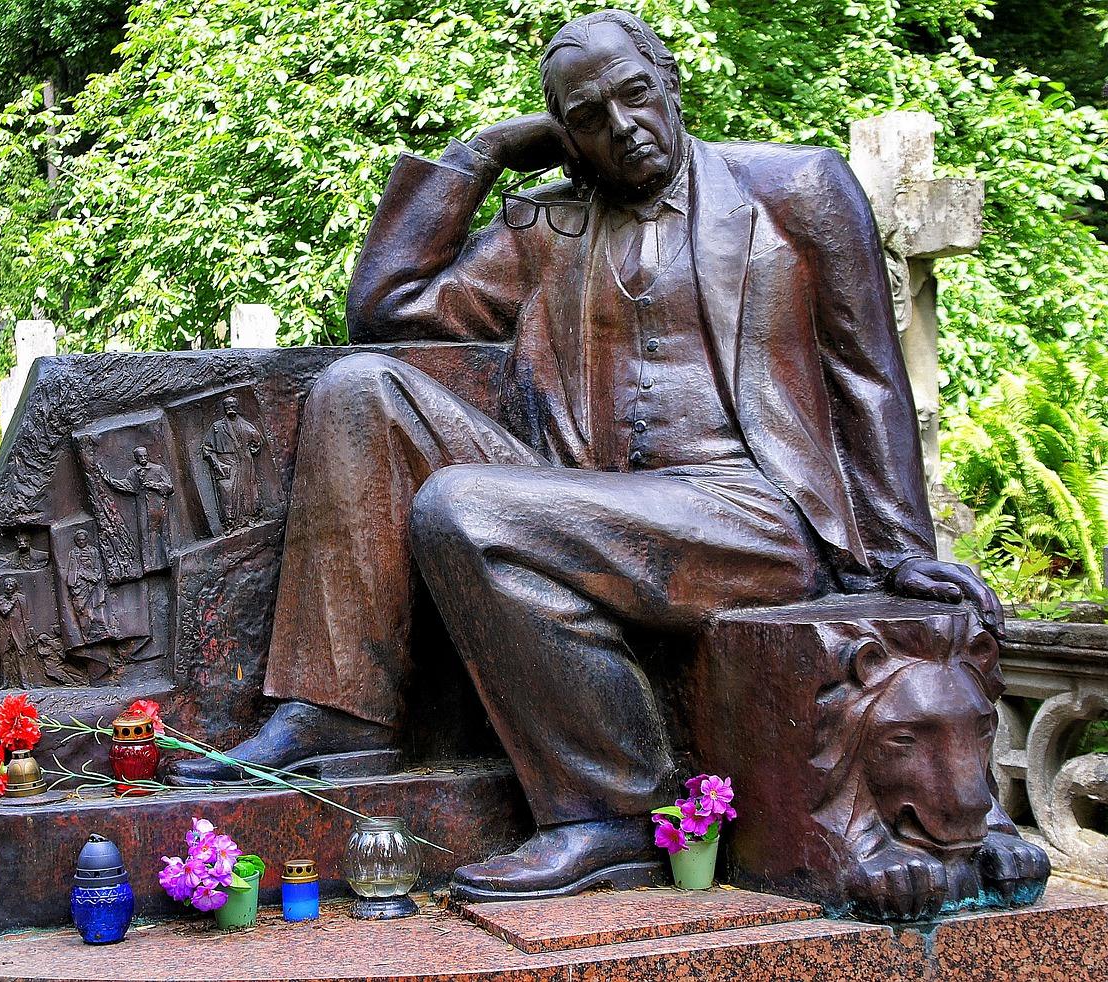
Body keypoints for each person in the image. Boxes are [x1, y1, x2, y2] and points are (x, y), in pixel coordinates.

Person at [171, 9, 1004, 902]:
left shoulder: (796, 187)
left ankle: (611, 811)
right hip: (592, 497)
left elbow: (866, 373)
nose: (623, 126)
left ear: (669, 80)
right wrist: (481, 153)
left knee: (465, 506)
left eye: (635, 95)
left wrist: (901, 551)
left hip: (751, 512)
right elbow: (385, 309)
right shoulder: (551, 225)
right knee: (360, 389)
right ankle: (339, 711)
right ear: (564, 137)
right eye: (589, 118)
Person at [98, 447, 175, 572]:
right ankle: (149, 565)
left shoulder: (158, 469)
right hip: (143, 507)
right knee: (145, 534)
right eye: (140, 456)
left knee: (162, 532)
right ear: (136, 458)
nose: (143, 458)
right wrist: (110, 481)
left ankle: (167, 560)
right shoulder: (133, 471)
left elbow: (170, 487)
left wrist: (154, 485)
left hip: (158, 505)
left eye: (145, 456)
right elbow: (128, 485)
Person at [201, 396, 265, 531]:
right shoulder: (217, 427)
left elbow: (257, 442)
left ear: (237, 407)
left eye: (233, 406)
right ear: (224, 408)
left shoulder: (246, 425)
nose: (230, 409)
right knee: (227, 494)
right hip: (225, 463)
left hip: (245, 462)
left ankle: (249, 518)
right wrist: (216, 463)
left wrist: (254, 448)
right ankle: (229, 524)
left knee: (248, 491)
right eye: (228, 407)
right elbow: (206, 448)